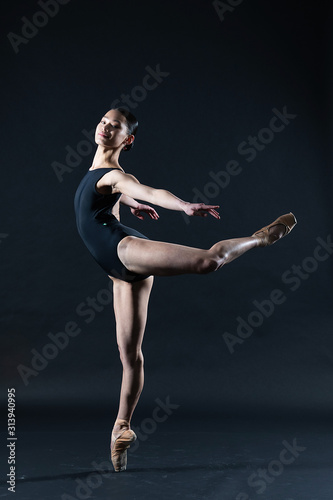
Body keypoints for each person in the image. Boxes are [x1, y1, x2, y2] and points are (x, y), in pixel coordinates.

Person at [74, 107, 297, 472]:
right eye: (103, 120)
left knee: (208, 261)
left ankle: (260, 238)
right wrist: (130, 204)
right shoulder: (99, 172)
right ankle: (121, 428)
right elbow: (110, 196)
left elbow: (142, 188)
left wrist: (182, 206)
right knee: (129, 355)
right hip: (117, 273)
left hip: (126, 251)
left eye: (116, 126)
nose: (105, 127)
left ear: (127, 140)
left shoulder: (116, 174)